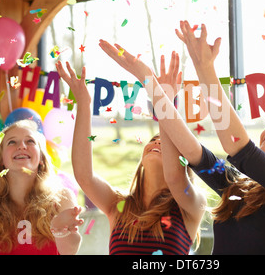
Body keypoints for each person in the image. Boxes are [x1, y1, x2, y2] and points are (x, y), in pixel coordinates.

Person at [98, 21, 265, 254]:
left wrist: (204, 67)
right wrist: (149, 82)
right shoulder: (237, 187)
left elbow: (237, 145)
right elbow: (191, 150)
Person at [55, 60, 206, 255]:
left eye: (167, 143)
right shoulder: (118, 205)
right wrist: (84, 104)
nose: (158, 143)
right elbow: (84, 175)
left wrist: (164, 101)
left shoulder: (191, 206)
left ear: (183, 161)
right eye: (153, 140)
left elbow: (174, 178)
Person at [0, 119, 83, 255]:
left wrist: (61, 231)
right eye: (12, 142)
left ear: (41, 158)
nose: (22, 146)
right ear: (1, 160)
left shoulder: (62, 198)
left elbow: (70, 251)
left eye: (30, 141)